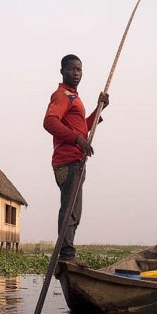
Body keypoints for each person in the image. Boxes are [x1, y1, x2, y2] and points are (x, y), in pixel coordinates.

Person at [43, 54, 109, 264]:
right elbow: (49, 122)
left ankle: (67, 253)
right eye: (71, 69)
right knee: (70, 208)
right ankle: (67, 255)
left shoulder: (74, 98)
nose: (76, 73)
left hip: (76, 161)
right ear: (62, 71)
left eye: (79, 69)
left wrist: (100, 108)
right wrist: (78, 139)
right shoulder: (62, 95)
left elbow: (82, 127)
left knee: (74, 210)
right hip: (67, 161)